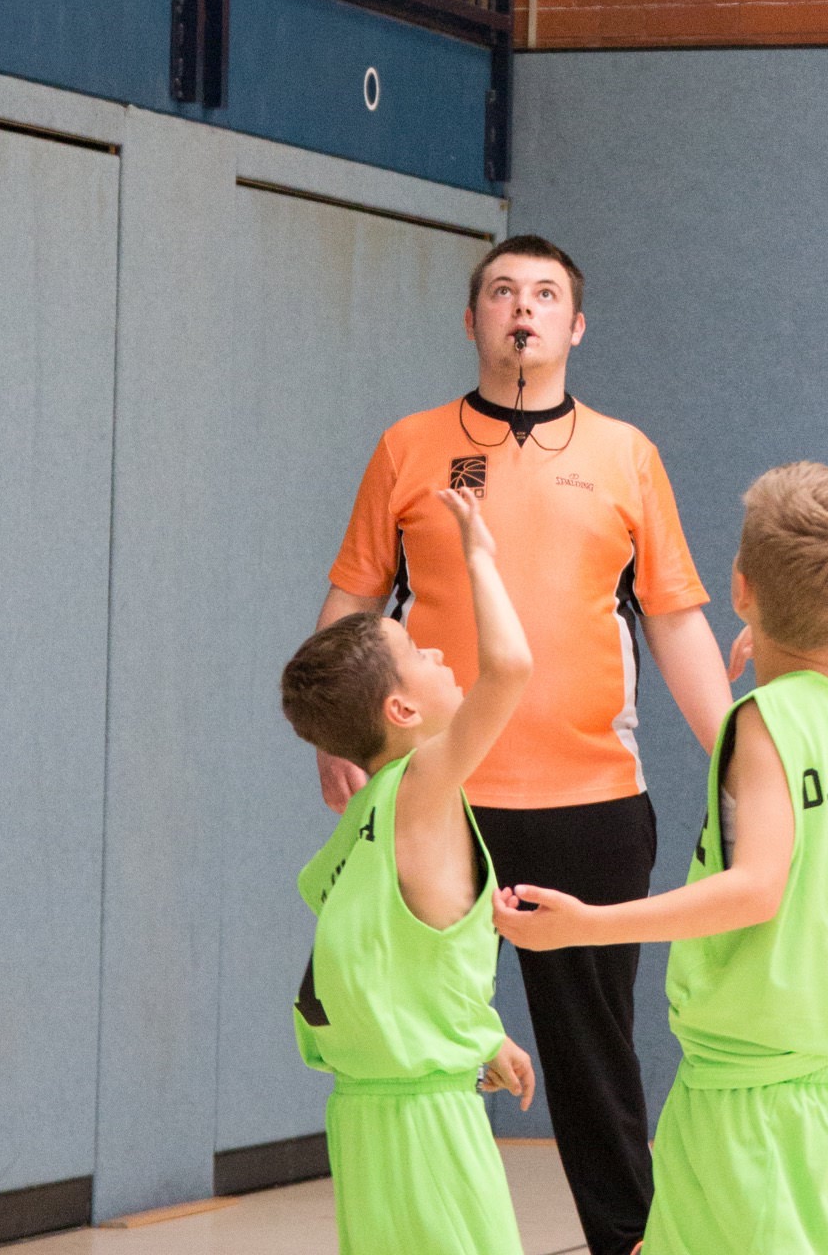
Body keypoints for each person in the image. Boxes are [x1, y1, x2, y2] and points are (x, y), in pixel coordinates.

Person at [315, 234, 732, 1255]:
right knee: (421, 1037)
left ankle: (627, 1243)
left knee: (595, 1058)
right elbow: (357, 599)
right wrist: (332, 733)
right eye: (502, 292)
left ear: (575, 327)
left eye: (545, 294)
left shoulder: (626, 453)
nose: (523, 309)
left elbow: (675, 620)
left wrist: (736, 754)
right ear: (473, 321)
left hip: (590, 800)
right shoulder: (409, 447)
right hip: (440, 802)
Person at [497, 461, 828, 1255]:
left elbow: (755, 889)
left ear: (740, 589)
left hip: (755, 1083)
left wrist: (588, 925)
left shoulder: (766, 722)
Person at [279, 488, 537, 1255]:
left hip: (361, 1115)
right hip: (427, 1119)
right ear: (401, 712)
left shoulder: (358, 827)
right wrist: (480, 558)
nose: (438, 654)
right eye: (420, 653)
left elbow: (390, 960)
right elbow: (510, 668)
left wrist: (476, 1033)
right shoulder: (422, 786)